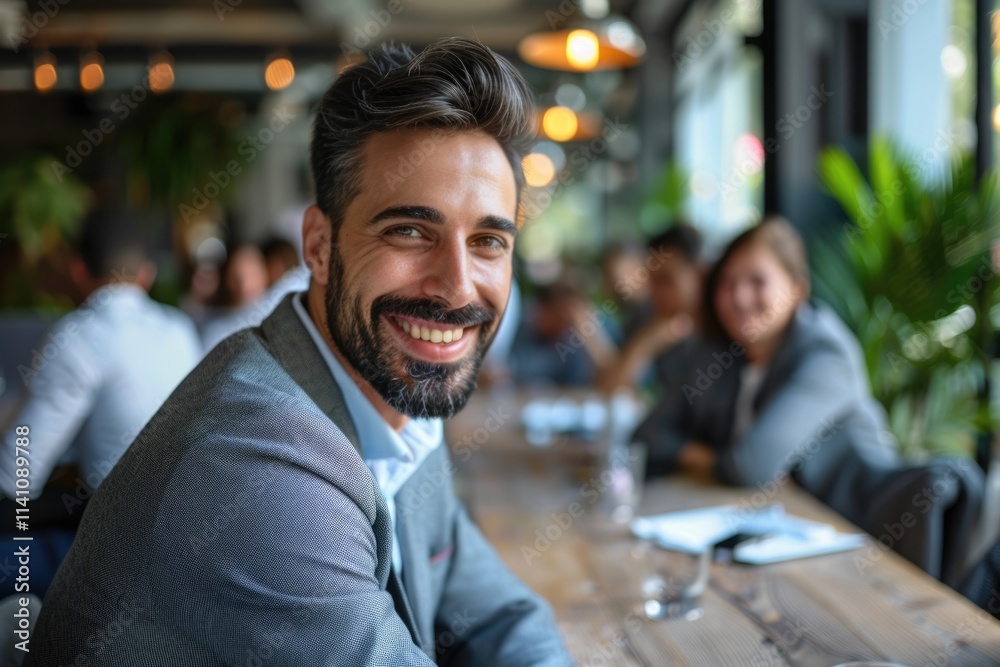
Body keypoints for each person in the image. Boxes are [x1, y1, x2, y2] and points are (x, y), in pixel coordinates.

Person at [27, 39, 572, 666]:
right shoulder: (255, 479)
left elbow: (500, 616)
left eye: (487, 242)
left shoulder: (403, 404)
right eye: (409, 231)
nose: (456, 286)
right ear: (318, 245)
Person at [633, 217, 982, 585]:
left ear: (797, 290)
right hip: (762, 543)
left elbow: (749, 466)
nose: (738, 297)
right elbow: (646, 435)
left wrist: (707, 456)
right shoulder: (722, 353)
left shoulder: (825, 353)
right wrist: (709, 457)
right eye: (728, 283)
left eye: (757, 282)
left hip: (854, 545)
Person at [0, 210, 201, 500]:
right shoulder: (181, 331)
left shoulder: (78, 336)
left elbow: (17, 475)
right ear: (147, 273)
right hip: (187, 517)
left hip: (117, 535)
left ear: (77, 268)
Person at [597, 224, 704, 393]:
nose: (656, 293)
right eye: (652, 281)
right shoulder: (648, 317)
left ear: (699, 274)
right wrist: (646, 344)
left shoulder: (722, 330)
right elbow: (608, 388)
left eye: (666, 280)